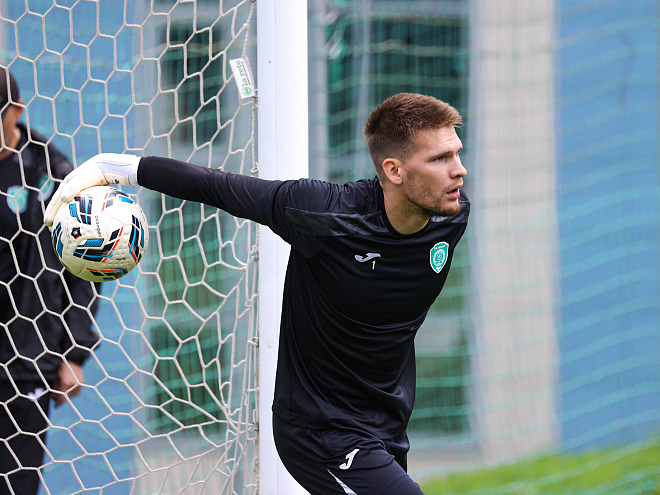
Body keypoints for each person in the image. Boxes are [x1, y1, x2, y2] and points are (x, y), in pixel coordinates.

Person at [44, 93, 469, 494]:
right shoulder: (327, 214)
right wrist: (116, 168)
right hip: (320, 431)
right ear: (394, 171)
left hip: (387, 422)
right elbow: (219, 187)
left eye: (456, 153)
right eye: (440, 158)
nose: (459, 170)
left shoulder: (451, 215)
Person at [0, 67, 100, 495]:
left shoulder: (54, 174)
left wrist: (75, 352)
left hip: (26, 364)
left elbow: (85, 265)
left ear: (17, 111)